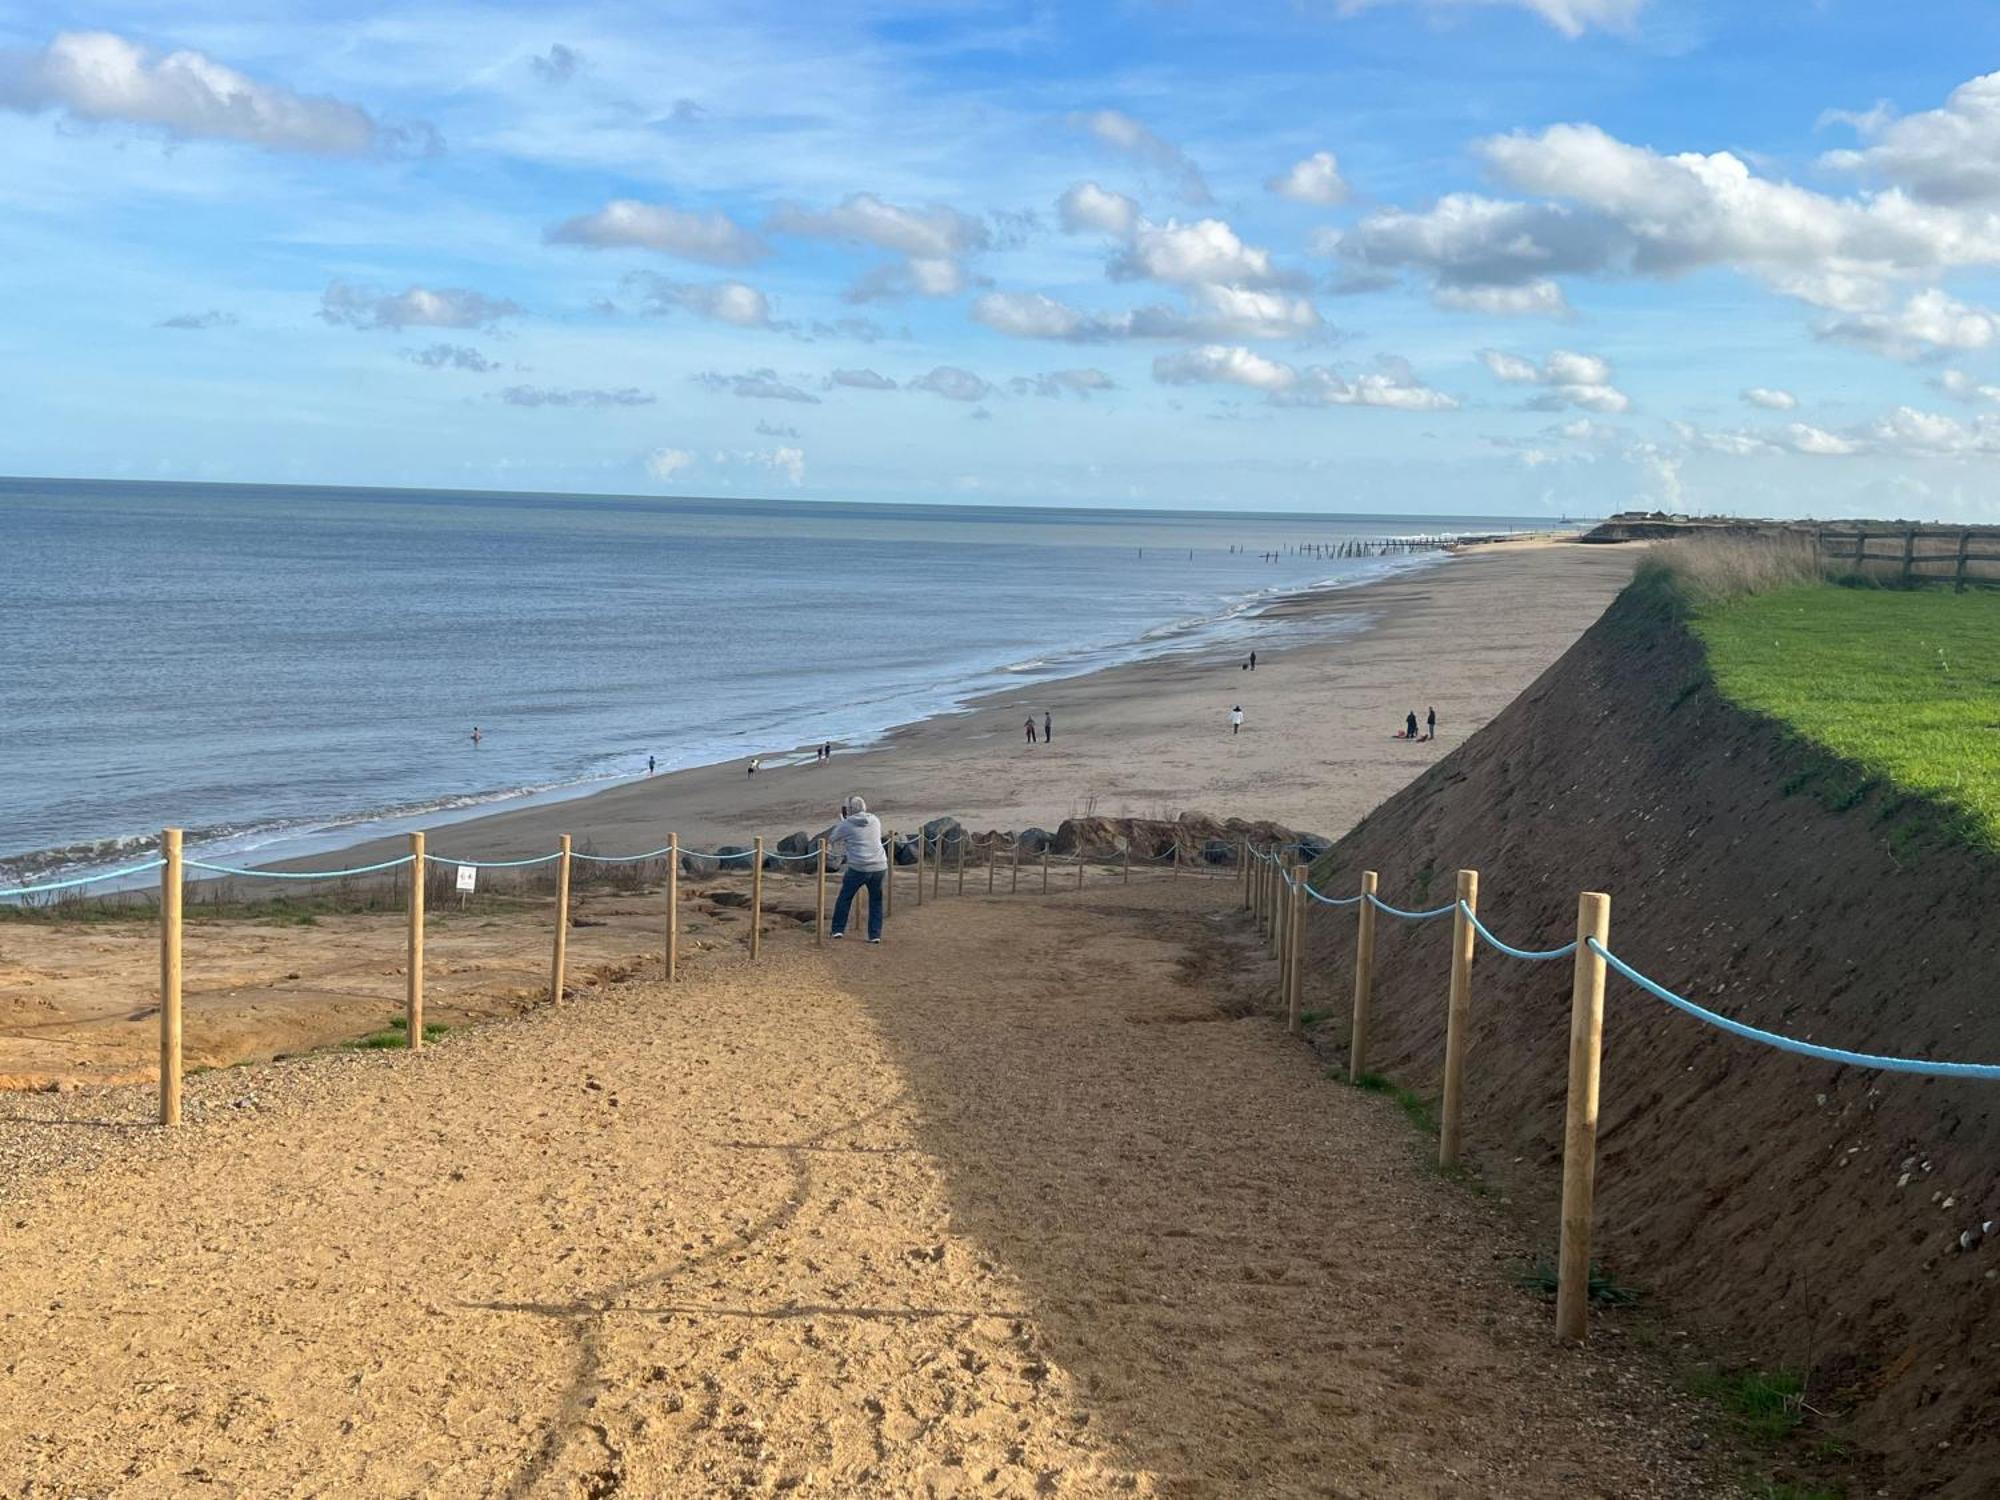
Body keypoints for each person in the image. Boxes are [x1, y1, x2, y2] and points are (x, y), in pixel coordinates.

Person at [827, 795, 888, 943]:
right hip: (879, 865)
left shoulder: (846, 824)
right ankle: (875, 935)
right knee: (876, 900)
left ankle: (837, 930)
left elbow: (833, 838)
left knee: (845, 897)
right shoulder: (875, 819)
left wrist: (843, 822)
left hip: (859, 867)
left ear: (848, 810)